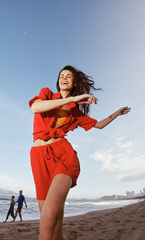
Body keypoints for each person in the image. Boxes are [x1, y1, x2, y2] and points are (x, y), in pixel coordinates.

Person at [29, 65, 131, 240]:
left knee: (48, 217)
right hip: (38, 157)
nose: (64, 78)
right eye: (62, 75)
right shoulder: (46, 94)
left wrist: (116, 114)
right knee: (54, 225)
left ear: (75, 82)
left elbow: (98, 125)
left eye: (69, 76)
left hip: (63, 156)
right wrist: (73, 100)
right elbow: (36, 108)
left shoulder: (75, 113)